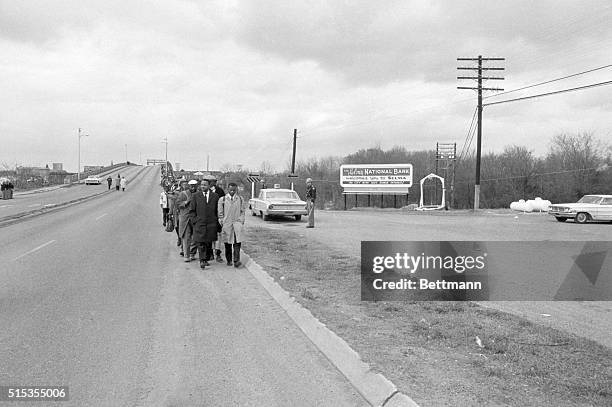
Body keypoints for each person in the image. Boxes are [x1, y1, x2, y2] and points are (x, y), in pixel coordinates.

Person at [189, 179, 220, 269]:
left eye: (205, 185)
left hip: (211, 224)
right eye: (202, 185)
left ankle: (205, 259)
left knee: (208, 242)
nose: (203, 186)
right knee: (200, 242)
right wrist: (194, 221)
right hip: (199, 223)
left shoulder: (215, 196)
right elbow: (192, 211)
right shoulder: (195, 196)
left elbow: (217, 210)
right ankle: (202, 260)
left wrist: (216, 221)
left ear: (209, 186)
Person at [218, 182, 245, 268]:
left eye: (234, 190)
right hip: (227, 225)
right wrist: (222, 222)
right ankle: (229, 260)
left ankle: (236, 261)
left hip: (237, 224)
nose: (232, 192)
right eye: (230, 190)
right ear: (227, 189)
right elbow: (220, 213)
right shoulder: (222, 199)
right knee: (228, 244)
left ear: (236, 189)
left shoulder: (240, 199)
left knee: (237, 243)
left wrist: (241, 221)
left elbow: (242, 211)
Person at [176, 180, 196, 261]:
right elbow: (178, 204)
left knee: (195, 237)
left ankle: (192, 253)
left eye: (195, 186)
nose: (193, 187)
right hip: (186, 218)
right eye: (191, 186)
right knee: (186, 237)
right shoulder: (183, 194)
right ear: (188, 186)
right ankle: (186, 255)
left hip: (195, 218)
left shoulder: (198, 194)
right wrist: (186, 202)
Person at [208, 175, 225, 263]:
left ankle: (218, 253)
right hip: (209, 217)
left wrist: (222, 216)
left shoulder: (220, 191)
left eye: (213, 181)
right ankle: (210, 253)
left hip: (218, 216)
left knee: (218, 235)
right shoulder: (205, 191)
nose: (212, 183)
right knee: (210, 236)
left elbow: (224, 204)